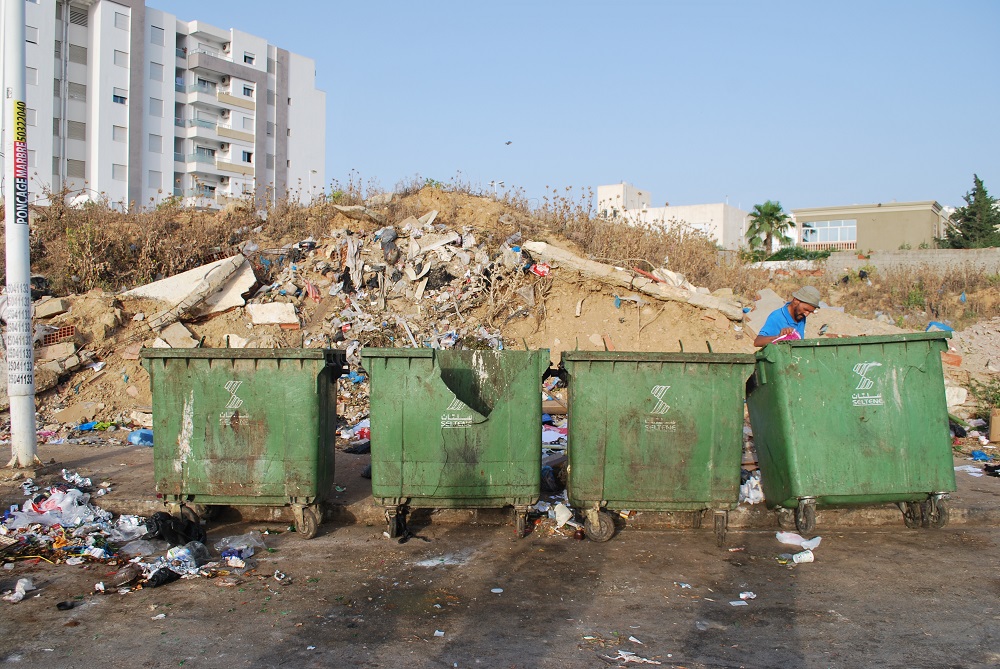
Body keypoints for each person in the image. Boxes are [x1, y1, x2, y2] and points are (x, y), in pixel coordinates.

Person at [753, 286, 821, 348]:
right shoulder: (776, 317)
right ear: (796, 301)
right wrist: (779, 338)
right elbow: (757, 342)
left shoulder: (801, 316)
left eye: (810, 312)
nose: (806, 314)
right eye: (805, 309)